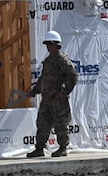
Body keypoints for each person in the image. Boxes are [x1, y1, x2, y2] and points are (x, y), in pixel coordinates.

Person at [27, 29, 79, 158]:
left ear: (56, 45)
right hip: (47, 99)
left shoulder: (62, 60)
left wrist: (65, 91)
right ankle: (39, 148)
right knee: (42, 123)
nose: (48, 47)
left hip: (58, 99)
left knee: (61, 124)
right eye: (47, 45)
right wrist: (35, 91)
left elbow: (72, 75)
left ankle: (62, 148)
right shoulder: (49, 60)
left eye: (50, 44)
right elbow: (44, 79)